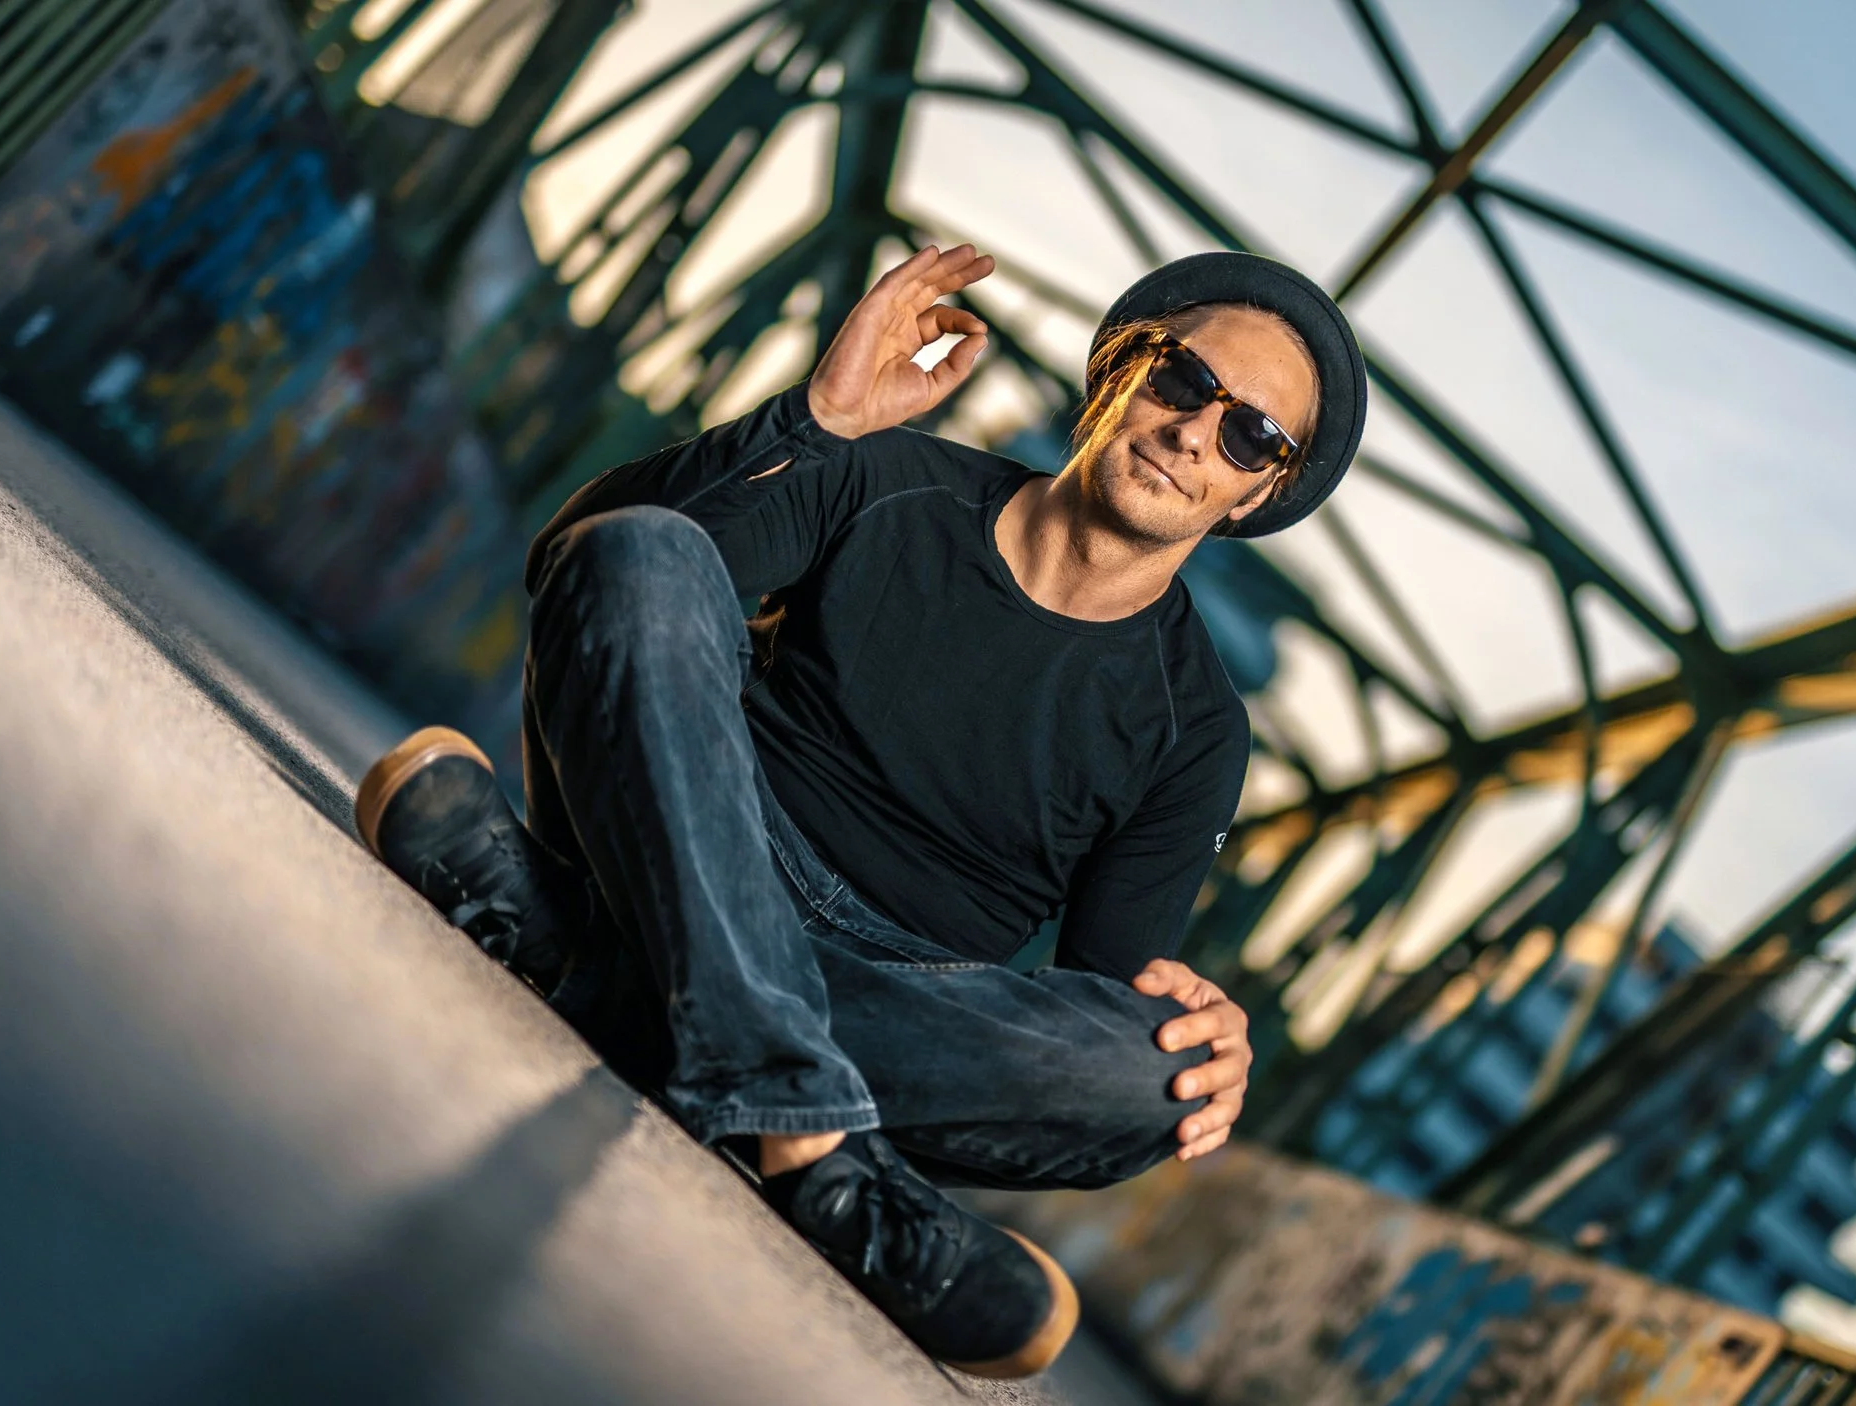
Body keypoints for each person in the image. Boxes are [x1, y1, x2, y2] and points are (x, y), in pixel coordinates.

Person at [352, 244, 1365, 1377]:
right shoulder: (891, 478)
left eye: (1250, 435)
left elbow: (1101, 999)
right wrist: (815, 420)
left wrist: (1200, 1039)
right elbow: (590, 565)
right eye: (1183, 379)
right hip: (693, 831)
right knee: (643, 550)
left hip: (903, 982)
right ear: (1118, 373)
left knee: (1154, 1075)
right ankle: (814, 1138)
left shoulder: (1197, 729)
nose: (1195, 433)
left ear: (1256, 492)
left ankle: (586, 961)